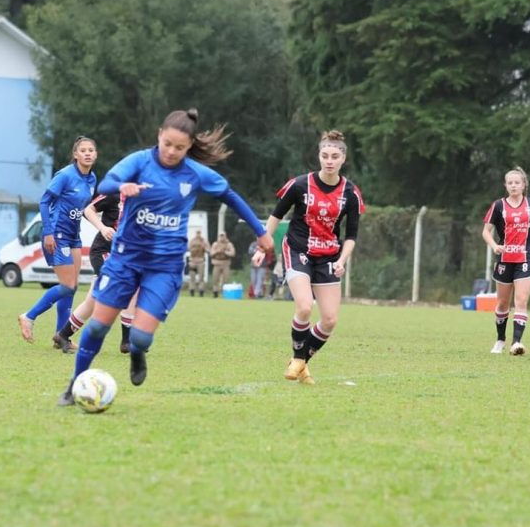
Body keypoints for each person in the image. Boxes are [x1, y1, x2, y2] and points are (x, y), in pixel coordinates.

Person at [57, 108, 273, 406]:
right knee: (97, 326)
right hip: (125, 259)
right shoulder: (140, 161)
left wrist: (260, 232)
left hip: (164, 267)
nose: (172, 151)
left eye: (180, 147)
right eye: (167, 144)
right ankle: (73, 385)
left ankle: (137, 353)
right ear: (159, 135)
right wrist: (123, 186)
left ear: (189, 147)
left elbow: (230, 196)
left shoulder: (194, 174)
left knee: (142, 338)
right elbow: (105, 184)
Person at [254, 129, 365, 385]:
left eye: (334, 156)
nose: (329, 160)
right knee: (304, 306)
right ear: (319, 156)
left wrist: (341, 261)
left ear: (342, 159)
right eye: (325, 155)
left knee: (329, 320)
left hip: (328, 256)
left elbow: (352, 235)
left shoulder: (350, 193)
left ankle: (302, 362)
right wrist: (263, 247)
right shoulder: (300, 184)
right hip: (297, 249)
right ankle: (297, 358)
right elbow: (276, 215)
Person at [18, 136, 97, 343]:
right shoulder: (65, 175)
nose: (88, 153)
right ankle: (29, 316)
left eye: (91, 150)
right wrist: (48, 232)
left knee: (72, 287)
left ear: (95, 154)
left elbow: (84, 209)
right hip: (58, 234)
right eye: (83, 150)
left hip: (73, 235)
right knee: (68, 285)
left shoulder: (92, 179)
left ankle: (61, 336)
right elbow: (44, 201)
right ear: (75, 155)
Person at [53, 192, 138, 354]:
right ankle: (127, 341)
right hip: (103, 252)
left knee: (92, 300)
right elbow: (88, 210)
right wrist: (103, 228)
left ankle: (63, 335)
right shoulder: (115, 194)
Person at [481, 167, 530, 355]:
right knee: (503, 304)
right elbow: (485, 232)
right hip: (505, 260)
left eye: (517, 182)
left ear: (523, 185)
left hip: (526, 259)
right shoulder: (498, 206)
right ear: (506, 185)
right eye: (510, 182)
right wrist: (495, 246)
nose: (513, 185)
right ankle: (500, 340)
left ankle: (516, 343)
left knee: (521, 301)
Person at [210, 231, 235, 297]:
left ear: (225, 236)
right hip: (216, 263)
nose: (222, 237)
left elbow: (232, 253)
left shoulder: (229, 244)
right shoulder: (215, 244)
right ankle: (215, 293)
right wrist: (217, 252)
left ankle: (225, 293)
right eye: (220, 236)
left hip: (225, 263)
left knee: (226, 280)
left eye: (223, 236)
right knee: (215, 279)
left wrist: (225, 252)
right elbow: (211, 253)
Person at [187, 229, 210, 296]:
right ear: (195, 233)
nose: (198, 234)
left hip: (200, 261)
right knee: (192, 277)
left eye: (199, 233)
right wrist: (193, 249)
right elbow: (188, 248)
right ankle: (191, 290)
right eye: (197, 233)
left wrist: (204, 248)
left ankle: (201, 291)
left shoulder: (204, 241)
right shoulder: (192, 241)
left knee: (201, 277)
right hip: (192, 261)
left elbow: (209, 250)